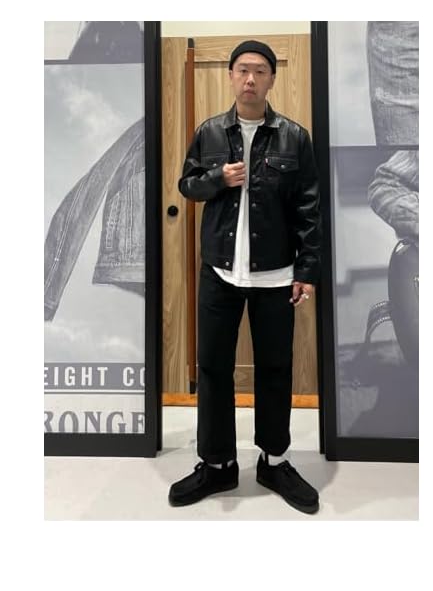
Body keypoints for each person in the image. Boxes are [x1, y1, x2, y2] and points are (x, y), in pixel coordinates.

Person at [169, 40, 322, 514]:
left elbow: (309, 209)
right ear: (231, 77)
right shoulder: (209, 131)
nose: (250, 78)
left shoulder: (295, 138)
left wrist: (307, 269)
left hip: (276, 275)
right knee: (213, 368)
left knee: (276, 370)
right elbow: (187, 185)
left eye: (259, 70)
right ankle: (217, 464)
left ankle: (274, 461)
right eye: (242, 70)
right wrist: (218, 178)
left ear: (272, 79)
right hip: (219, 271)